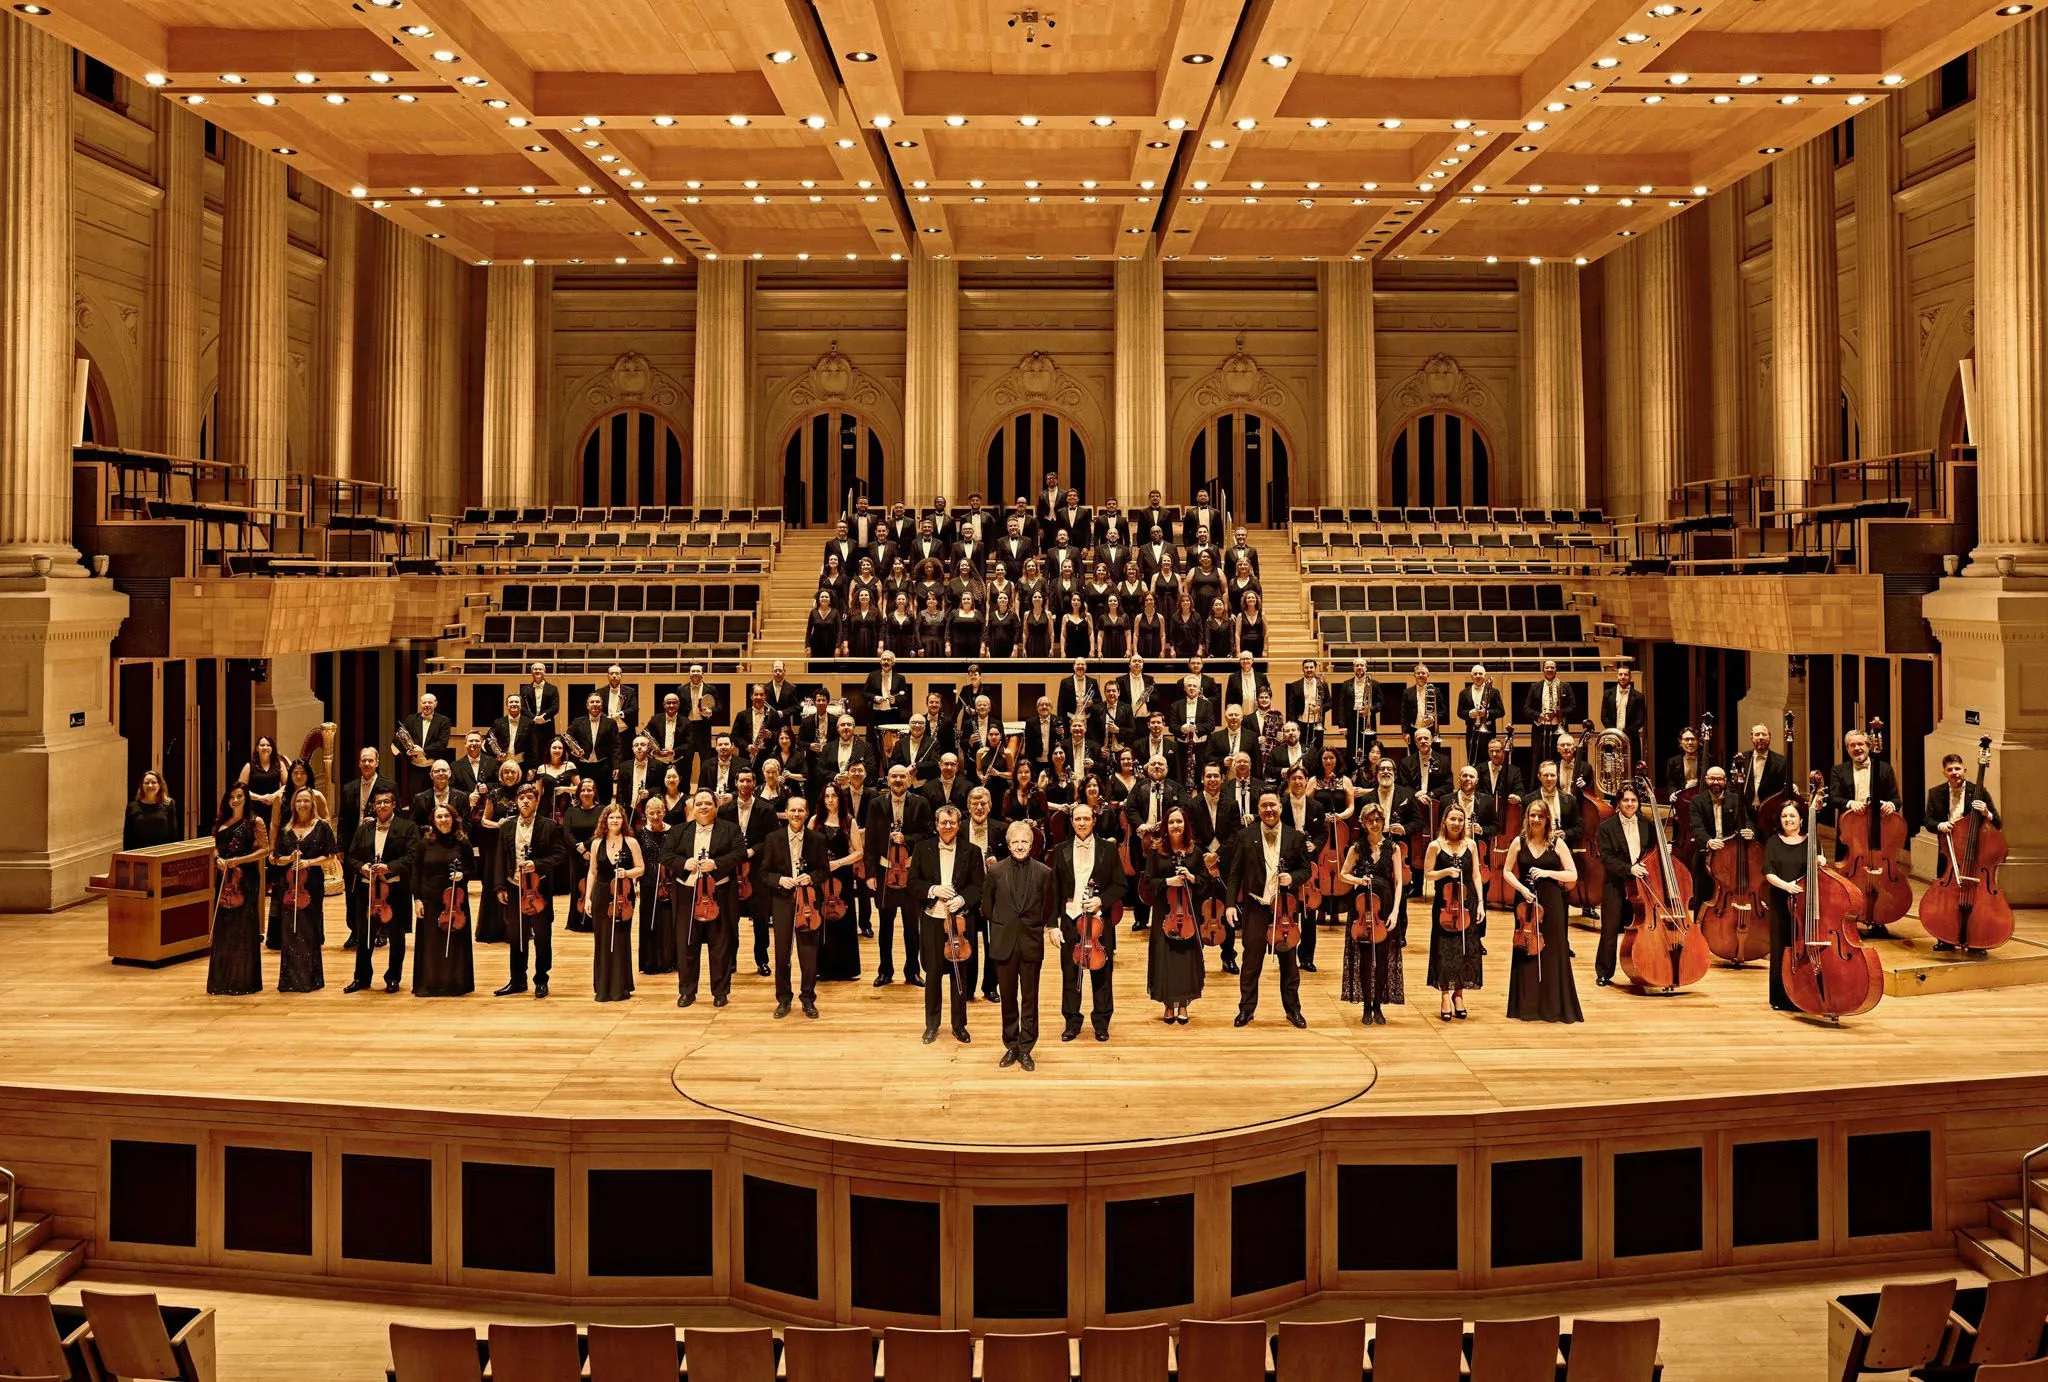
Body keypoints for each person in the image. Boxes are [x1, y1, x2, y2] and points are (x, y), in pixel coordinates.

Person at [1226, 790, 1310, 1028]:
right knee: (1251, 962)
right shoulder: (1245, 836)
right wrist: (1230, 904)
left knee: (1289, 964)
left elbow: (1307, 870)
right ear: (1258, 809)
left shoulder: (1296, 837)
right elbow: (1235, 875)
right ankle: (1246, 1009)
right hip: (1255, 907)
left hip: (1285, 911)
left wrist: (1291, 878)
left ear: (1281, 808)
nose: (1269, 810)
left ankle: (1293, 1010)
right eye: (1264, 806)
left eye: (1273, 805)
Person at [1501, 799, 1583, 1023]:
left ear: (1547, 819)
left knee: (1553, 951)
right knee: (1526, 950)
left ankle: (1552, 1007)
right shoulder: (1519, 842)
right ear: (1527, 817)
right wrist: (1521, 889)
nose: (1535, 820)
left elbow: (1572, 874)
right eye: (1532, 815)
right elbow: (1507, 872)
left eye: (1540, 816)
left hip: (1552, 903)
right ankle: (1527, 1006)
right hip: (1525, 905)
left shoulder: (1556, 844)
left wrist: (1548, 874)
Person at [1049, 802, 1124, 1043]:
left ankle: (1101, 1023)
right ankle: (1072, 1022)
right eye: (1077, 819)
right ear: (1072, 822)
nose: (1082, 823)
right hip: (1071, 918)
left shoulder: (1108, 849)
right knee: (1070, 973)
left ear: (1093, 820)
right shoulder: (1060, 850)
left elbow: (1120, 884)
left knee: (1102, 973)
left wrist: (1102, 900)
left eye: (1086, 819)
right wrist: (1052, 925)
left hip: (1099, 920)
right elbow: (1053, 891)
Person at [985, 820, 1055, 1071]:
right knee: (1007, 998)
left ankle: (1026, 1048)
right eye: (1015, 842)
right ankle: (1011, 1044)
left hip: (1030, 943)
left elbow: (1048, 907)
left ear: (1032, 843)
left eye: (1024, 841)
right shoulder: (994, 872)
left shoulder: (1045, 873)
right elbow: (987, 908)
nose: (1020, 846)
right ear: (1008, 844)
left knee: (1029, 998)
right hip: (1004, 943)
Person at [911, 804, 985, 1044]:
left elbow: (978, 886)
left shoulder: (972, 851)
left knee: (959, 975)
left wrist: (962, 899)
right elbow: (913, 883)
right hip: (933, 919)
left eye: (952, 822)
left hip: (960, 923)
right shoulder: (922, 849)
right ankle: (932, 1025)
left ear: (958, 824)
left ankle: (959, 1025)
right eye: (943, 822)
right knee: (932, 974)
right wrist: (933, 889)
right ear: (936, 824)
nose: (947, 826)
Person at [666, 790, 746, 1007]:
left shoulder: (730, 829)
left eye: (708, 803)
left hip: (718, 895)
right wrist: (684, 864)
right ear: (692, 807)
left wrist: (717, 864)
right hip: (687, 894)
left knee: (720, 945)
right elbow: (666, 855)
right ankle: (687, 992)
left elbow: (740, 853)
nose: (703, 807)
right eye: (699, 803)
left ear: (716, 807)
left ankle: (720, 992)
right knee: (687, 944)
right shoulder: (679, 831)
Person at [494, 781, 570, 998]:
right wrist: (500, 886)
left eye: (530, 797)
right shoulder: (507, 826)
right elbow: (499, 858)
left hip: (539, 890)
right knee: (516, 935)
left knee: (542, 936)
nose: (525, 801)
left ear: (537, 801)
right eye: (521, 798)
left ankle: (541, 979)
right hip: (514, 886)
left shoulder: (549, 825)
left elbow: (560, 855)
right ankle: (517, 980)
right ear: (516, 801)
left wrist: (536, 864)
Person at [1925, 750, 2002, 953]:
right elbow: (1928, 821)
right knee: (1945, 897)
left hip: (1974, 854)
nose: (1954, 772)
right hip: (1949, 851)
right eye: (1950, 769)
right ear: (1944, 772)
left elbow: (1998, 823)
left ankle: (1977, 939)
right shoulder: (1936, 793)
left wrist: (1986, 812)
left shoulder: (1979, 791)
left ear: (1965, 770)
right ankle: (1946, 938)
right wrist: (1940, 825)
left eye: (1957, 768)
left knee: (1977, 897)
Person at [864, 764, 934, 987]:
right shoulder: (876, 804)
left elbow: (928, 834)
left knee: (912, 926)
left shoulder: (921, 803)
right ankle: (885, 971)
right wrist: (870, 874)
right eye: (893, 776)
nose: (897, 780)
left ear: (909, 779)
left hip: (911, 873)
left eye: (902, 776)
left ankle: (912, 971)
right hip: (885, 873)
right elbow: (871, 842)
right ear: (887, 779)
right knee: (885, 925)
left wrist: (907, 839)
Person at [761, 794, 830, 1019]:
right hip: (782, 900)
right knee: (782, 952)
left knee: (808, 953)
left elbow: (823, 871)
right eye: (793, 810)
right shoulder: (773, 838)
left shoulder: (817, 839)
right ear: (786, 813)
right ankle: (783, 998)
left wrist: (810, 877)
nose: (796, 814)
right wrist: (780, 880)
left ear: (807, 813)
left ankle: (808, 999)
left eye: (801, 810)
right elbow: (763, 873)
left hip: (808, 901)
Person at [344, 786, 417, 994]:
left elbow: (412, 857)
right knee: (365, 936)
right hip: (367, 891)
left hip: (395, 890)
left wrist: (390, 867)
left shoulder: (408, 827)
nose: (382, 805)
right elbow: (351, 857)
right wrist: (362, 867)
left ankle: (393, 978)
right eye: (378, 802)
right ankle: (362, 978)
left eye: (386, 801)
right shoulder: (363, 829)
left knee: (396, 936)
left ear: (394, 804)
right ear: (373, 807)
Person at [1338, 802, 1404, 1025]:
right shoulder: (1357, 848)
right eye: (1370, 820)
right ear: (1363, 823)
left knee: (1384, 959)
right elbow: (1343, 874)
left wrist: (1395, 911)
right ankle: (1366, 1005)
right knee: (1365, 959)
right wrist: (1359, 880)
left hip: (1384, 908)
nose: (1374, 824)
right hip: (1362, 910)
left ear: (1383, 822)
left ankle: (1378, 1005)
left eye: (1378, 820)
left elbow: (1398, 883)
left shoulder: (1393, 848)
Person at [1145, 806, 1208, 1024]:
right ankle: (1168, 1005)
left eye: (1179, 821)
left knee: (1185, 960)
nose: (1175, 826)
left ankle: (1183, 1004)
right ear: (1165, 825)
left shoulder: (1194, 852)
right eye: (1171, 822)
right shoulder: (1156, 851)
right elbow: (1147, 882)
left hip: (1188, 913)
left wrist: (1191, 877)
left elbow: (1205, 882)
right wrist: (1166, 882)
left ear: (1185, 825)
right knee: (1165, 958)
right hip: (1165, 912)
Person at [270, 787, 336, 993]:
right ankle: (290, 980)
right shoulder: (286, 829)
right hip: (288, 886)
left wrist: (308, 862)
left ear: (312, 804)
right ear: (294, 805)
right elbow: (275, 858)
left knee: (309, 928)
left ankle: (310, 979)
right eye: (299, 801)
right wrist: (288, 859)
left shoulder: (322, 827)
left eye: (306, 801)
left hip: (312, 885)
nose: (302, 805)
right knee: (290, 930)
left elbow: (331, 855)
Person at [1423, 803, 1485, 1020]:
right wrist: (1446, 871)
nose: (1457, 823)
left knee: (1464, 949)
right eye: (1453, 819)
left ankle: (1459, 994)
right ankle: (1445, 995)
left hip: (1468, 904)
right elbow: (1428, 874)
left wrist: (1482, 904)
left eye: (1461, 819)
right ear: (1445, 821)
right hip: (1444, 904)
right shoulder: (1435, 845)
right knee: (1444, 949)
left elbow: (1476, 875)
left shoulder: (1471, 845)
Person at [1593, 783, 1658, 987]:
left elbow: (1652, 853)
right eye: (1626, 800)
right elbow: (1606, 857)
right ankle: (1604, 972)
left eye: (1633, 800)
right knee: (1610, 929)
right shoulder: (1606, 827)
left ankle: (1647, 968)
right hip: (1615, 883)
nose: (1630, 804)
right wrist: (1629, 869)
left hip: (1642, 885)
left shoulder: (1648, 825)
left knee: (1645, 929)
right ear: (1618, 803)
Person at [206, 785, 267, 996]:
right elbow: (214, 845)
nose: (235, 800)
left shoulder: (255, 822)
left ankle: (243, 980)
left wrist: (239, 860)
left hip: (245, 879)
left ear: (246, 798)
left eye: (239, 796)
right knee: (224, 928)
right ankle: (222, 980)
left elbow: (264, 850)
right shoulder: (221, 822)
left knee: (243, 927)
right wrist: (217, 859)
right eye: (232, 797)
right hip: (224, 880)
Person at [410, 803, 475, 997]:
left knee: (455, 942)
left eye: (447, 816)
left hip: (455, 900)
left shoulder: (462, 842)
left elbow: (473, 869)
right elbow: (416, 872)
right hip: (430, 899)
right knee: (431, 943)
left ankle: (454, 983)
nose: (443, 820)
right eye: (439, 817)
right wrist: (417, 899)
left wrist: (462, 875)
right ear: (433, 821)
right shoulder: (424, 843)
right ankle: (431, 983)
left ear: (454, 818)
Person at [582, 803, 642, 1003]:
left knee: (620, 938)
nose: (615, 820)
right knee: (602, 939)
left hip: (623, 895)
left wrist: (626, 873)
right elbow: (592, 872)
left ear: (623, 820)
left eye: (618, 817)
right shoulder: (597, 843)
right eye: (611, 817)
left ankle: (620, 987)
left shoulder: (631, 842)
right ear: (605, 821)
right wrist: (588, 897)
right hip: (601, 894)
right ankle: (603, 987)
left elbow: (640, 868)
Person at [811, 782, 863, 982]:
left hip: (843, 877)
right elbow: (806, 847)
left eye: (834, 796)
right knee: (822, 920)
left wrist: (838, 863)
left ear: (841, 798)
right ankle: (822, 968)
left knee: (844, 919)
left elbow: (859, 852)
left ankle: (846, 969)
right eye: (827, 796)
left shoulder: (849, 821)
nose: (830, 800)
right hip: (821, 877)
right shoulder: (815, 821)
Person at [1761, 799, 1810, 1012]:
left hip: (1805, 903)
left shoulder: (1810, 841)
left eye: (1792, 816)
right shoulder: (1773, 841)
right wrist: (1787, 886)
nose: (1788, 820)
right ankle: (1780, 997)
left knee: (1803, 947)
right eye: (1784, 816)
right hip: (1781, 901)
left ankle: (1805, 993)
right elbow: (1768, 872)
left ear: (1801, 819)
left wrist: (1820, 859)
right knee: (1781, 947)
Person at [635, 795, 677, 974]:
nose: (655, 816)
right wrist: (636, 881)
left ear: (664, 812)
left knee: (668, 922)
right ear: (645, 814)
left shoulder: (673, 832)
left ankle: (668, 961)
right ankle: (649, 962)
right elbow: (638, 859)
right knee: (648, 920)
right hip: (648, 882)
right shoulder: (640, 834)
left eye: (659, 812)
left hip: (668, 882)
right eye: (651, 813)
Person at [562, 777, 603, 934]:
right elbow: (567, 833)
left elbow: (600, 832)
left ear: (594, 792)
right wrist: (580, 849)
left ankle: (595, 920)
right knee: (577, 887)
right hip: (576, 855)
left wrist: (586, 846)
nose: (586, 793)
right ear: (578, 793)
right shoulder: (571, 811)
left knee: (596, 887)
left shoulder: (601, 810)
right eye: (583, 790)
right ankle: (577, 921)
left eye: (589, 790)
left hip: (596, 852)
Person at [125, 770, 180, 849]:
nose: (150, 785)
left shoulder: (169, 804)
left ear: (160, 785)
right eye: (146, 783)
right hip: (139, 853)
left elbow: (173, 833)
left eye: (154, 782)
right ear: (142, 786)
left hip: (162, 852)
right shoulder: (132, 806)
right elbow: (127, 836)